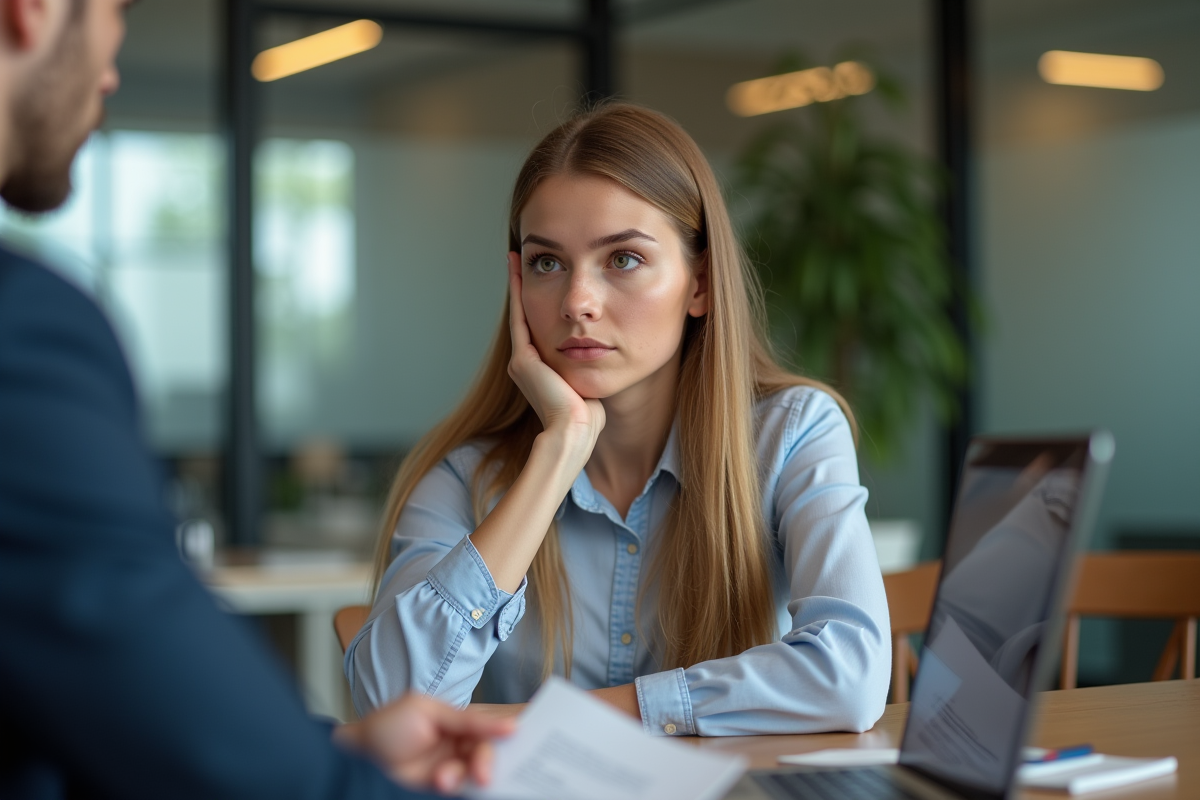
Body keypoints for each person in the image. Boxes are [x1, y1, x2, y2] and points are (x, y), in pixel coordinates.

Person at [0, 1, 511, 797]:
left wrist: (336, 749)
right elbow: (147, 682)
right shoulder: (21, 329)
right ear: (32, 10)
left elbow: (76, 697)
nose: (110, 72)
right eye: (115, 14)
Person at [347, 104, 892, 736]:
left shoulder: (790, 432)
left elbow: (851, 676)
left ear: (701, 284)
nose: (577, 302)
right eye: (547, 263)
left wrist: (558, 721)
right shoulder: (467, 474)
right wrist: (557, 456)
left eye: (624, 258)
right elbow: (389, 707)